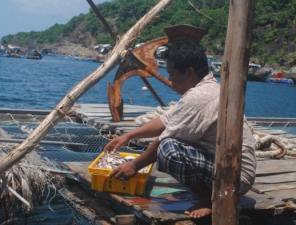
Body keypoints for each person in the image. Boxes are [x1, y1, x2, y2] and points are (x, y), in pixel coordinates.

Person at [103, 40, 256, 219]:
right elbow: (165, 120)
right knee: (167, 146)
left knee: (168, 150)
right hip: (228, 168)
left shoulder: (199, 97)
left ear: (189, 73)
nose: (169, 80)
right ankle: (211, 193)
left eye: (172, 74)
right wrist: (128, 136)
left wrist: (134, 166)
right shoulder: (205, 88)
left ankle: (213, 199)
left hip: (235, 177)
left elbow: (163, 139)